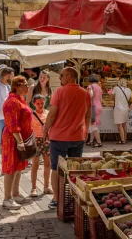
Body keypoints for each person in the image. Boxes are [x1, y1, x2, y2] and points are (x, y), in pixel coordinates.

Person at [43, 68, 91, 209]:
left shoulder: (60, 92)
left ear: (70, 77)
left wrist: (46, 130)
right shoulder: (85, 93)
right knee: (75, 169)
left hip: (59, 137)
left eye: (62, 76)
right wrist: (86, 130)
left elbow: (52, 115)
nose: (60, 79)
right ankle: (73, 198)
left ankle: (57, 199)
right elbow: (88, 115)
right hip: (77, 137)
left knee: (57, 169)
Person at [0, 76, 33, 210]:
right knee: (11, 168)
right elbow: (13, 124)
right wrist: (19, 141)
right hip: (13, 138)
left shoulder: (20, 99)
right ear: (17, 87)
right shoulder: (12, 102)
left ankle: (15, 193)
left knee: (19, 167)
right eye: (24, 84)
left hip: (20, 137)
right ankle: (7, 198)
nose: (27, 86)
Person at [111, 77, 132, 144]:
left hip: (118, 108)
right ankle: (125, 138)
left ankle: (122, 140)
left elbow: (111, 98)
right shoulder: (129, 90)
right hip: (126, 108)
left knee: (119, 125)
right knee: (124, 124)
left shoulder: (116, 88)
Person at [86, 74, 103, 147]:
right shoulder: (99, 87)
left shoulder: (90, 87)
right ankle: (91, 141)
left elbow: (90, 96)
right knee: (93, 124)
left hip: (93, 107)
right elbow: (101, 99)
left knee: (93, 125)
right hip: (99, 106)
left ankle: (99, 142)